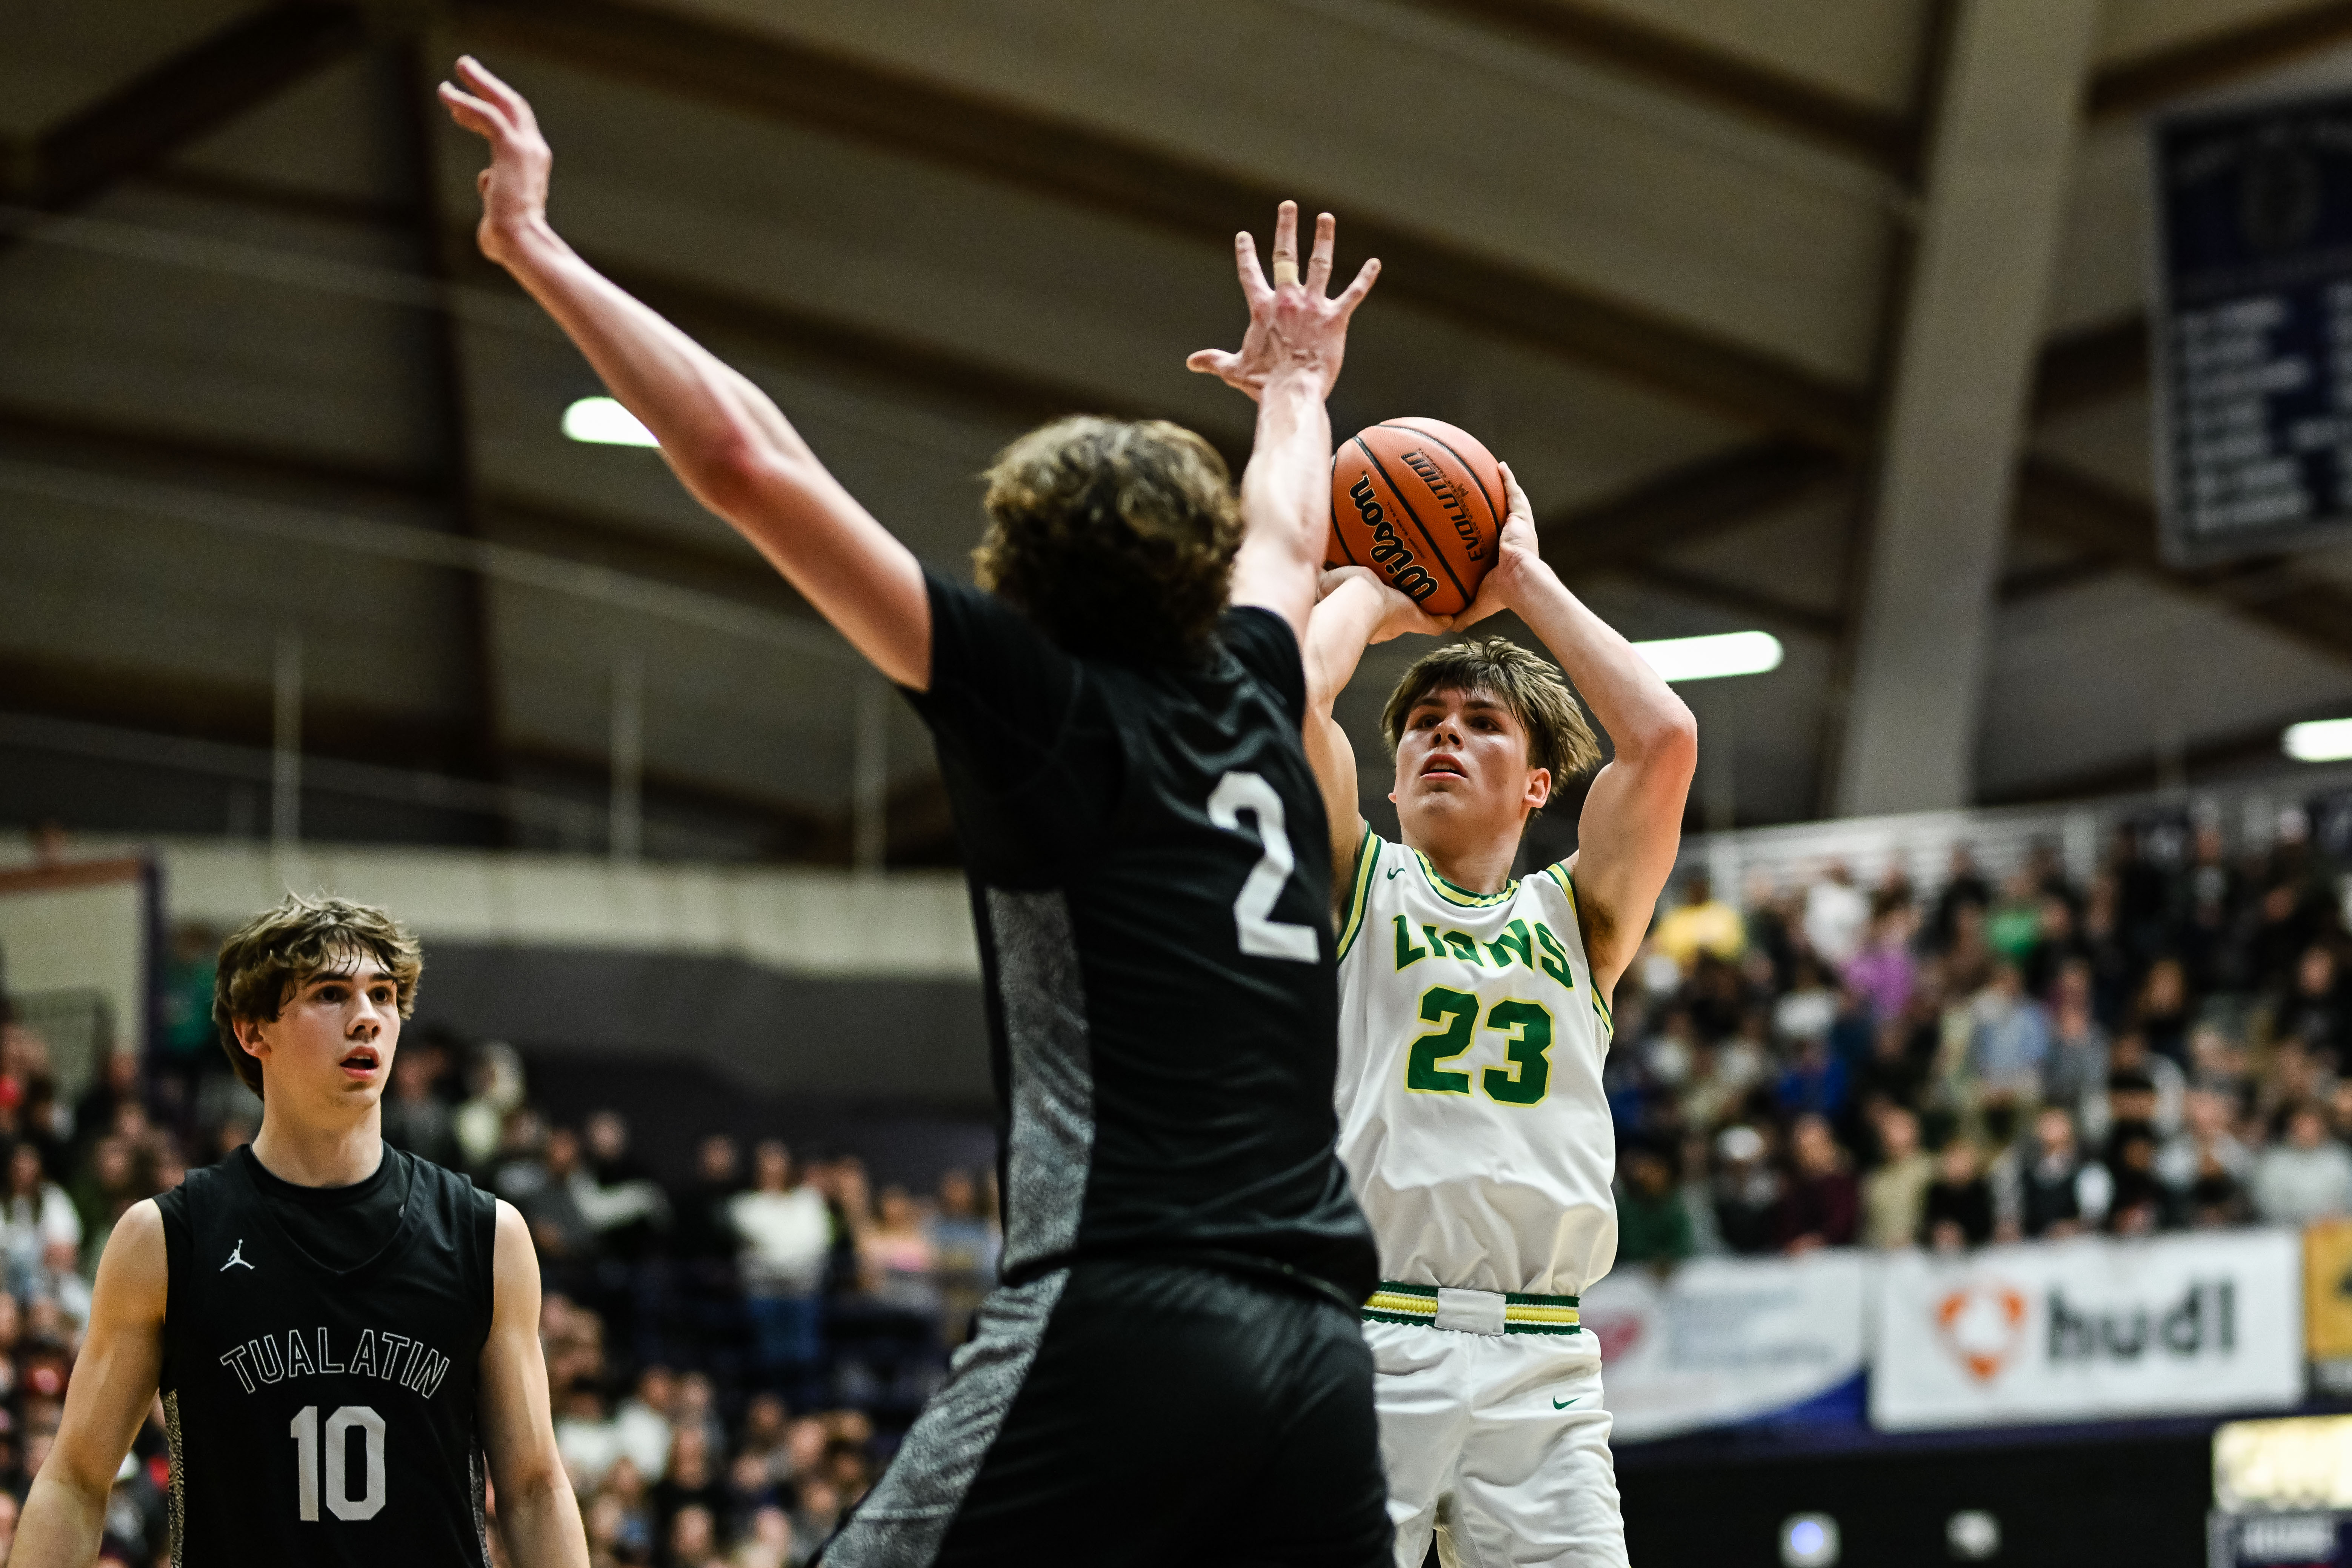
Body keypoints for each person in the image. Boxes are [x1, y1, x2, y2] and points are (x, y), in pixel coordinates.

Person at [441, 53, 1391, 1563]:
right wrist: (1295, 384)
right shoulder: (1256, 682)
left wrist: (539, 249)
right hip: (1324, 1356)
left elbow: (746, 460)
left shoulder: (1033, 700)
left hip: (1122, 1310)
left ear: (1018, 571)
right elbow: (1287, 518)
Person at [1303, 460, 1695, 1565]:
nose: (1443, 736)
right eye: (1424, 722)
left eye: (1480, 724)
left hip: (1540, 1359)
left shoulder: (1582, 914)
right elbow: (1285, 695)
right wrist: (1373, 598)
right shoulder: (1355, 879)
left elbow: (1663, 740)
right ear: (1388, 779)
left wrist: (1521, 578)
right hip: (1362, 1336)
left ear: (1536, 784)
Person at [11, 893, 588, 1565]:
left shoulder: (489, 1235)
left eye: (382, 995)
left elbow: (533, 1488)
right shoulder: (165, 1239)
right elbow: (77, 1481)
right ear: (255, 1032)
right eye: (330, 995)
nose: (367, 1019)